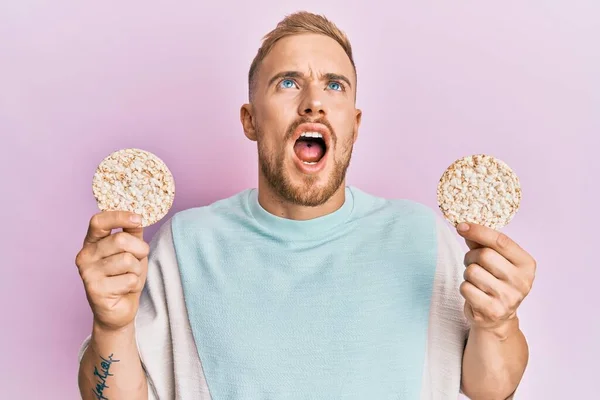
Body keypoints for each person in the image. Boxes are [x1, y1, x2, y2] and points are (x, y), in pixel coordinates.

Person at [76, 11, 536, 400]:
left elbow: (489, 388)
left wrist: (498, 323)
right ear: (250, 120)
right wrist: (111, 325)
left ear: (354, 125)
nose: (314, 102)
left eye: (335, 85)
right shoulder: (186, 243)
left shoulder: (421, 235)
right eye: (289, 82)